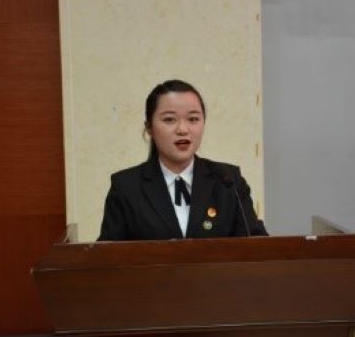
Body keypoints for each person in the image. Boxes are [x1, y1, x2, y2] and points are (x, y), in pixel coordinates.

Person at [98, 79, 267, 241]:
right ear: (149, 127)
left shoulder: (227, 180)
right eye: (169, 120)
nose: (182, 129)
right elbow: (107, 255)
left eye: (193, 119)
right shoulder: (126, 187)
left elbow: (257, 245)